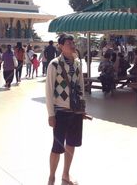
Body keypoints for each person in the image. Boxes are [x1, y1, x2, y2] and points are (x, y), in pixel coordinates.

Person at [45, 34, 90, 185]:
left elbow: (81, 86)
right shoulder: (54, 64)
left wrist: (82, 108)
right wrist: (51, 114)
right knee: (57, 147)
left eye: (72, 42)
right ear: (60, 46)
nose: (72, 44)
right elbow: (49, 90)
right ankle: (52, 176)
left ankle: (65, 173)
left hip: (75, 112)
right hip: (61, 111)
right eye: (68, 42)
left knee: (71, 143)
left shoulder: (77, 63)